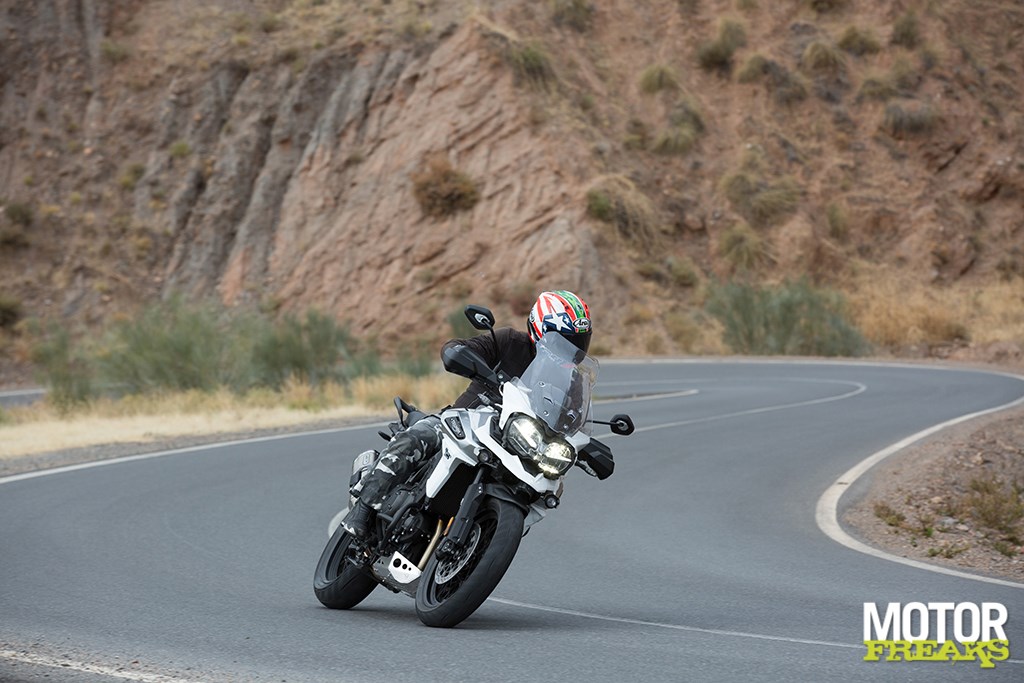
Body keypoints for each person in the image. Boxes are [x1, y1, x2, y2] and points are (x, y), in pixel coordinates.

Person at [341, 290, 593, 539]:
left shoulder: (572, 382)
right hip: (463, 422)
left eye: (578, 342)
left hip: (516, 447)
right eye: (564, 340)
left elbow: (573, 423)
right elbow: (456, 348)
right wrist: (461, 355)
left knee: (543, 490)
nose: (572, 349)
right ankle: (363, 509)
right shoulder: (509, 342)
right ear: (540, 328)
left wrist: (586, 446)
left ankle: (487, 539)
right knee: (419, 436)